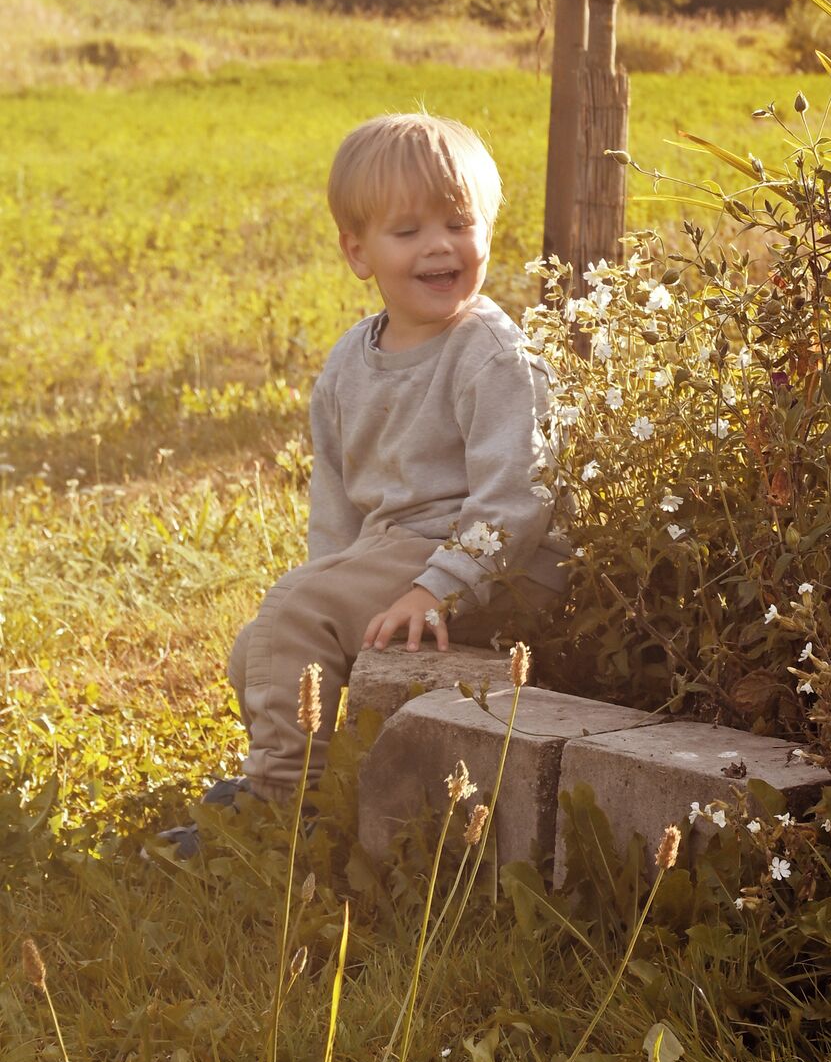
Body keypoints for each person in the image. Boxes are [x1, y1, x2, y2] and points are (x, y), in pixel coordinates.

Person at [166, 112, 559, 850]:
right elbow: (337, 499)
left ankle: (284, 808)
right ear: (358, 252)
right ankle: (315, 771)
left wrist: (438, 585)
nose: (440, 245)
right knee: (258, 648)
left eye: (458, 222)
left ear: (487, 231)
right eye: (407, 231)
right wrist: (328, 582)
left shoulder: (490, 354)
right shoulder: (351, 362)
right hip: (393, 555)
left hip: (490, 564)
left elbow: (518, 495)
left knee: (293, 613)